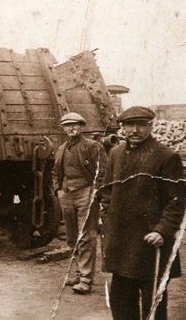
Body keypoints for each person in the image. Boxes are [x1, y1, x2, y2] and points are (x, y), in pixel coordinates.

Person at [99, 106, 184, 320]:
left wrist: (162, 231)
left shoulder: (166, 156)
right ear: (122, 127)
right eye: (129, 125)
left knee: (153, 306)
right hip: (121, 242)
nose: (134, 130)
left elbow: (177, 200)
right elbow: (107, 190)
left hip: (150, 243)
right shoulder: (116, 153)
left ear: (151, 126)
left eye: (141, 125)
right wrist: (109, 217)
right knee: (121, 303)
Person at [53, 112, 107, 294]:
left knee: (86, 235)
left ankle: (85, 278)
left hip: (86, 192)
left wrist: (94, 193)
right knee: (71, 235)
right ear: (63, 128)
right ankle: (78, 272)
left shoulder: (93, 146)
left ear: (81, 126)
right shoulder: (61, 148)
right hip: (67, 194)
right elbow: (55, 172)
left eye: (75, 125)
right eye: (67, 125)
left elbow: (103, 172)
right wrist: (58, 190)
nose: (71, 128)